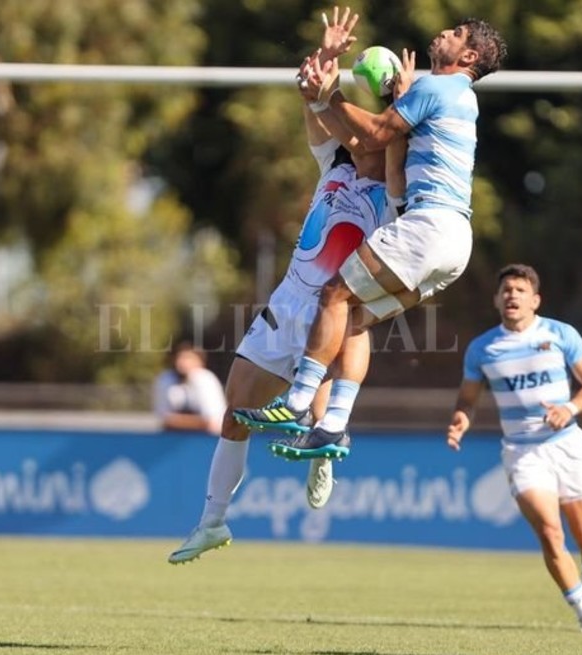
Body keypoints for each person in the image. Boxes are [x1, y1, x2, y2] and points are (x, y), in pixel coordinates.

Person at [167, 7, 403, 564]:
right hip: (286, 305)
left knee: (324, 378)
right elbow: (313, 102)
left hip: (337, 306)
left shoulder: (396, 190)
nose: (358, 136)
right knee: (234, 412)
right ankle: (212, 521)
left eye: (370, 132)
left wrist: (397, 93)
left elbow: (396, 132)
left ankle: (325, 445)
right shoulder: (334, 166)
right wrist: (327, 58)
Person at [234, 17, 507, 461]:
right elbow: (391, 163)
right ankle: (333, 425)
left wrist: (331, 96)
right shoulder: (450, 99)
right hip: (453, 241)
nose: (445, 33)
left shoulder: (438, 88)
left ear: (469, 56)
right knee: (353, 317)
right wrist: (386, 100)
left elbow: (374, 136)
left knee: (334, 294)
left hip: (429, 227)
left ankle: (297, 402)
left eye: (456, 33)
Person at [445, 264, 582, 634]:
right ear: (496, 300)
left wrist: (569, 409)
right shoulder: (482, 349)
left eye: (520, 290)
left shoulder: (560, 334)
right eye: (506, 290)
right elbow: (467, 400)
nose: (512, 295)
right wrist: (461, 419)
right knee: (551, 532)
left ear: (535, 300)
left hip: (567, 445)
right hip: (522, 453)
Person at [153, 339, 227, 434]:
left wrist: (178, 421)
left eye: (188, 358)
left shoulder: (206, 379)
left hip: (205, 439)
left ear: (200, 362)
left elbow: (213, 422)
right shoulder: (165, 379)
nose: (182, 362)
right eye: (180, 358)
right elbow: (165, 419)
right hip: (173, 438)